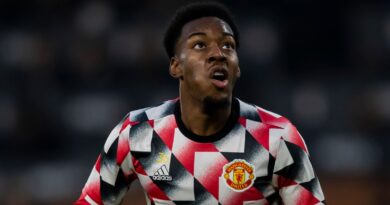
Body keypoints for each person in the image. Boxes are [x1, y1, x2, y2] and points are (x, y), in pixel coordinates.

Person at [75, 2, 325, 205]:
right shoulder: (138, 132)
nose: (218, 53)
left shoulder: (276, 135)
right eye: (200, 45)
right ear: (176, 66)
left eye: (228, 45)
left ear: (237, 68)